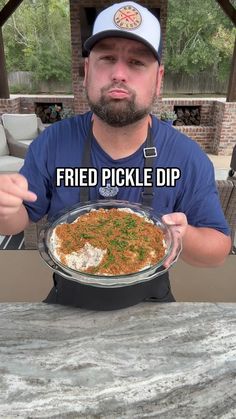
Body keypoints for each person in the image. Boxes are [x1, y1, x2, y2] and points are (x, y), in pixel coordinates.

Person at [0, 2, 231, 309]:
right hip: (68, 305)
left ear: (159, 79)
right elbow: (17, 221)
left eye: (137, 62)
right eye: (107, 58)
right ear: (87, 71)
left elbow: (218, 250)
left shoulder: (186, 156)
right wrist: (5, 207)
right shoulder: (52, 142)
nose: (119, 73)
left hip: (151, 307)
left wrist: (184, 235)